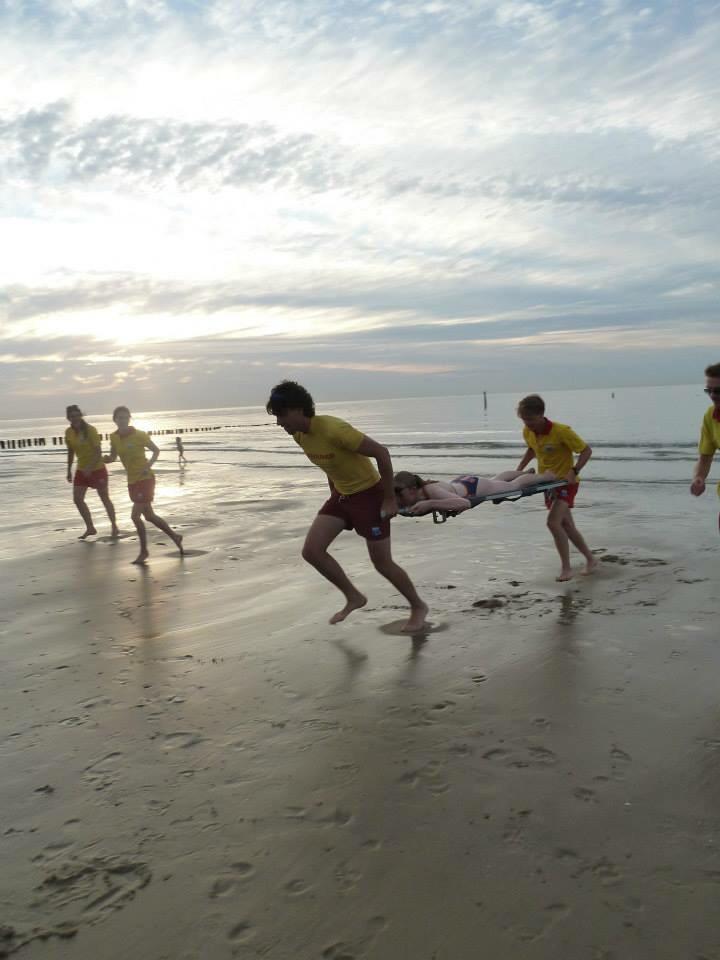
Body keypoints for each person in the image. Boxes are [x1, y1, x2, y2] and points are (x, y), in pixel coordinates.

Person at [265, 381, 428, 633]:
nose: (279, 423)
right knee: (312, 551)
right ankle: (354, 596)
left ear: (298, 409)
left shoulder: (334, 429)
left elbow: (382, 454)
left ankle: (418, 606)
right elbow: (330, 466)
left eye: (281, 415)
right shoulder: (299, 436)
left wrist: (389, 499)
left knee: (382, 563)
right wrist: (334, 494)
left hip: (371, 497)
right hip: (342, 497)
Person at [515, 394, 597, 582]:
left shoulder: (561, 431)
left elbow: (586, 451)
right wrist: (518, 470)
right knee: (567, 526)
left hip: (566, 483)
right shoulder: (528, 431)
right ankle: (591, 560)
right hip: (547, 484)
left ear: (541, 414)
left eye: (531, 419)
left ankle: (566, 569)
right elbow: (531, 449)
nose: (528, 424)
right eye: (524, 420)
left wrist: (573, 470)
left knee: (553, 523)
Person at [104, 406, 184, 565]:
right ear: (115, 420)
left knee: (135, 516)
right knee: (149, 516)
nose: (123, 420)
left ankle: (144, 551)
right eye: (120, 417)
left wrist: (148, 466)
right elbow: (114, 456)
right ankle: (175, 536)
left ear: (129, 419)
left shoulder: (139, 435)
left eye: (126, 417)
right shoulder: (113, 437)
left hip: (145, 479)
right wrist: (107, 459)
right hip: (132, 481)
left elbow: (156, 450)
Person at [393, 468, 558, 516]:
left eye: (400, 494)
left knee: (513, 487)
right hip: (463, 482)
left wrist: (431, 503)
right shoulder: (416, 494)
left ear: (413, 489)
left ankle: (545, 476)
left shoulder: (431, 490)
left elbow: (463, 503)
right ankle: (525, 473)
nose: (399, 499)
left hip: (473, 488)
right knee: (497, 479)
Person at [64, 404, 119, 540]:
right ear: (68, 418)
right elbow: (71, 451)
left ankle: (114, 526)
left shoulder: (90, 430)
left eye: (77, 415)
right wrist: (69, 470)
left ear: (81, 415)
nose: (74, 418)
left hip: (97, 469)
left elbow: (98, 452)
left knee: (104, 498)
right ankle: (90, 527)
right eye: (71, 416)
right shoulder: (68, 432)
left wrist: (90, 467)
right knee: (77, 499)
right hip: (81, 470)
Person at [690, 362, 720, 531]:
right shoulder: (710, 416)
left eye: (718, 391)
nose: (713, 395)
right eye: (709, 390)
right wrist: (699, 477)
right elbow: (705, 457)